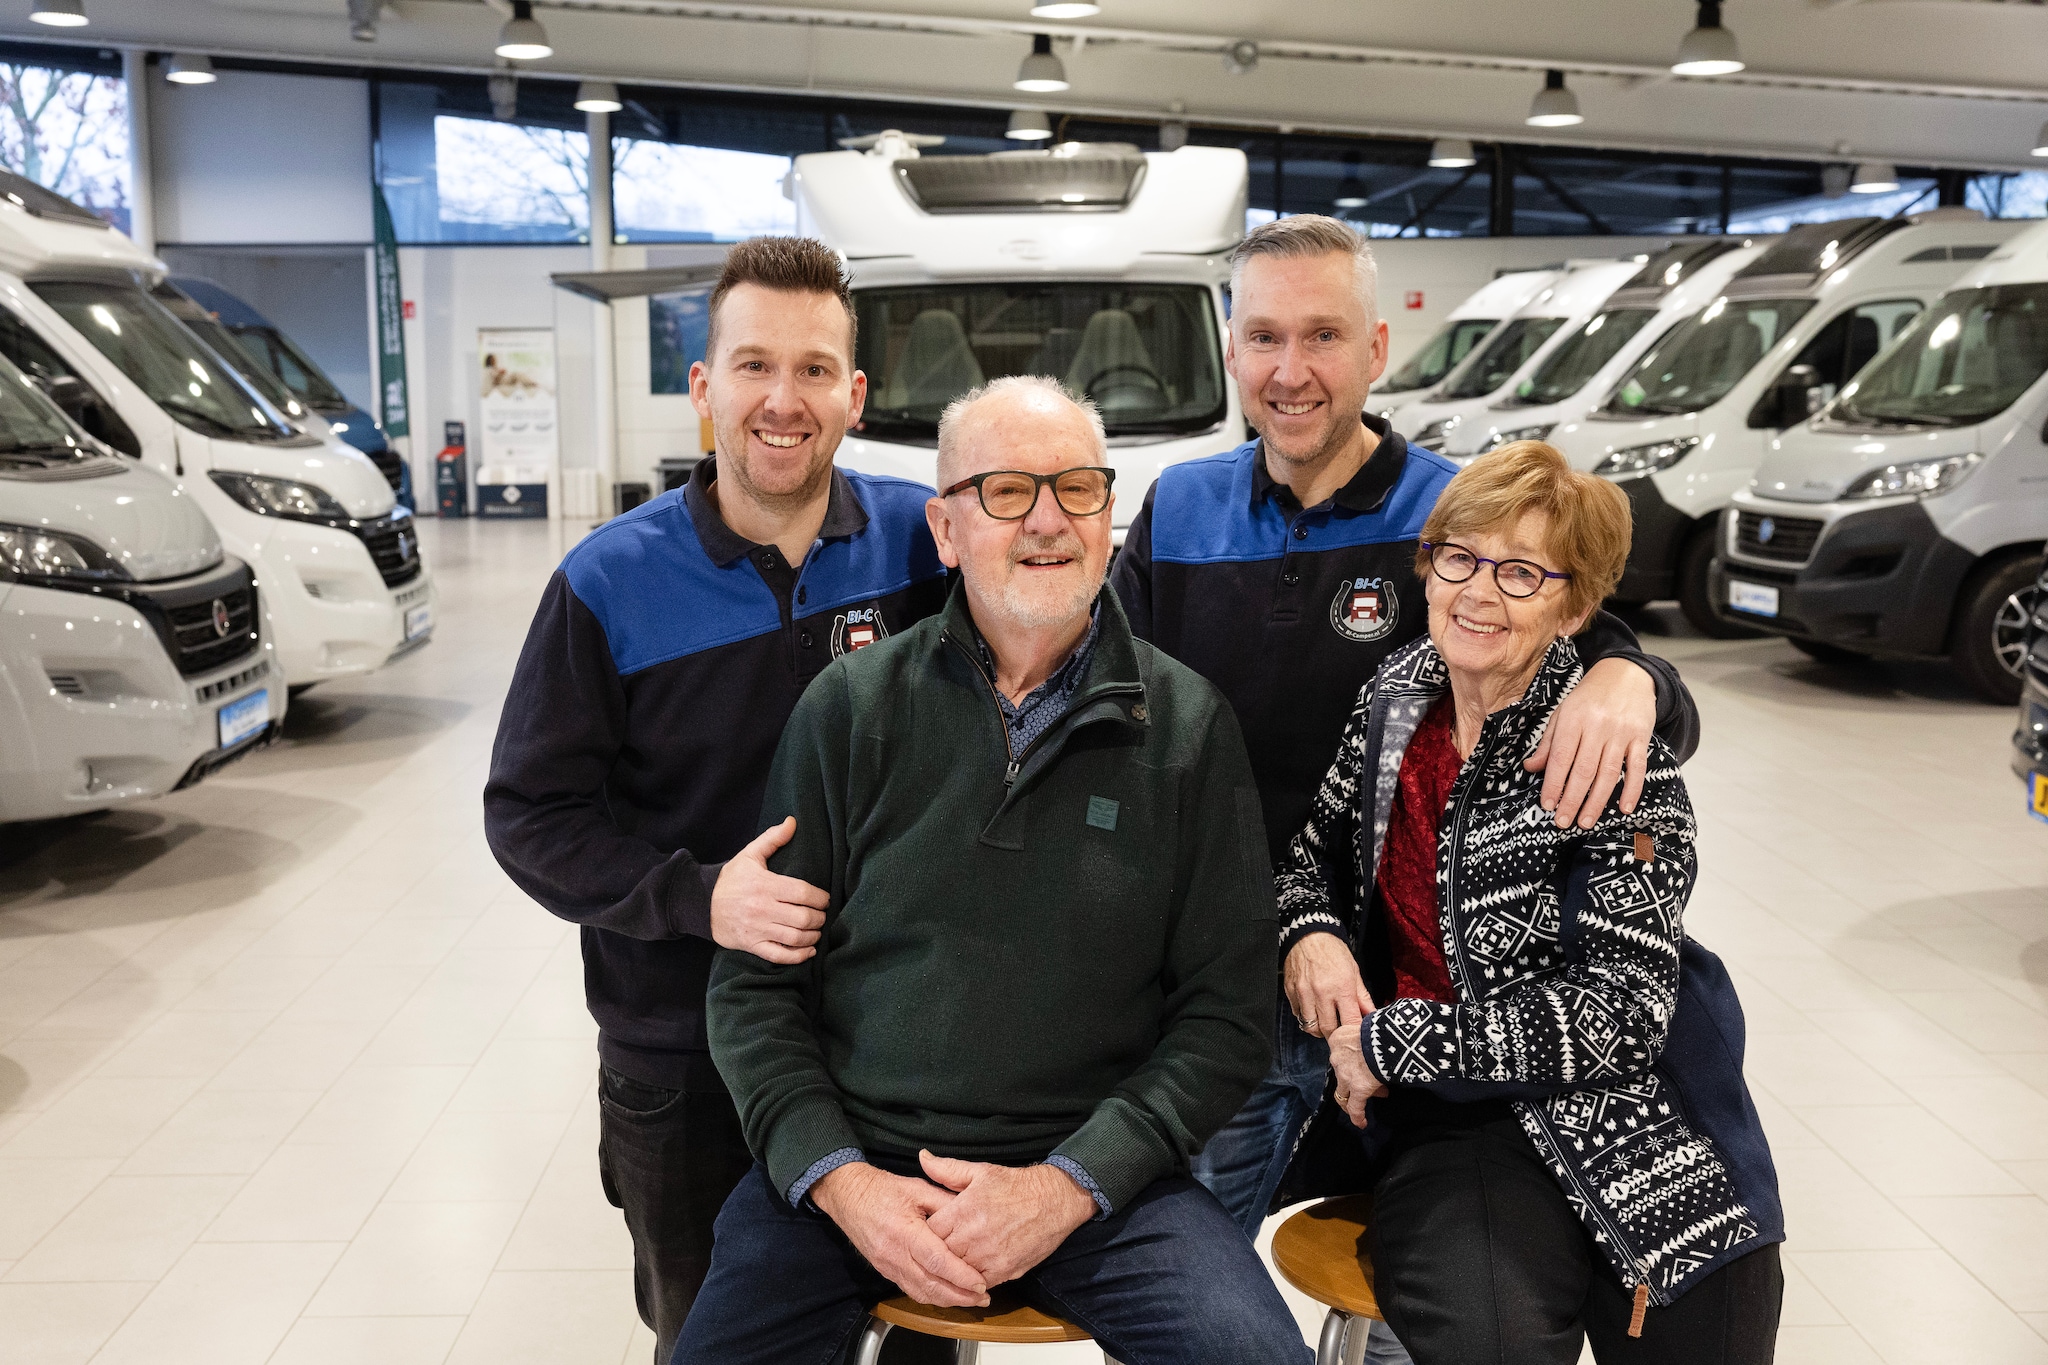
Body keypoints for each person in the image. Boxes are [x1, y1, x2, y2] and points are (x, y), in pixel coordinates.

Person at [676, 376, 1309, 1365]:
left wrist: (1068, 1185)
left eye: (1078, 489)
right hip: (863, 1156)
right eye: (1006, 491)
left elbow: (1225, 1016)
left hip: (1097, 1168)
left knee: (1254, 1356)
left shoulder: (1185, 728)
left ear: (1111, 519)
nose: (1048, 519)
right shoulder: (850, 711)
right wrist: (843, 1183)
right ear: (943, 528)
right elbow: (754, 992)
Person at [1109, 214, 1701, 1246]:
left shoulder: (1449, 521)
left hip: (1407, 1019)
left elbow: (1594, 652)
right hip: (1218, 997)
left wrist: (1630, 676)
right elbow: (1109, 709)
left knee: (1407, 1307)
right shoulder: (1176, 509)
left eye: (1323, 337)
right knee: (1181, 1284)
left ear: (1375, 349)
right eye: (1262, 339)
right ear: (1231, 350)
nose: (1289, 372)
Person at [482, 236, 949, 1364]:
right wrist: (697, 901)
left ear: (854, 394)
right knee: (711, 1332)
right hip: (681, 1053)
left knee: (921, 1329)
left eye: (812, 369)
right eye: (751, 366)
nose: (781, 401)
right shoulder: (607, 582)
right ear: (703, 387)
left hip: (889, 1043)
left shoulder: (920, 543)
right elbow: (528, 815)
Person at [1292, 441, 1783, 1364]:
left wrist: (1391, 1041)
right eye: (1459, 557)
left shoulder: (1611, 752)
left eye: (1520, 572)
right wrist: (1309, 930)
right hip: (1459, 1120)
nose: (1478, 591)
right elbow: (1309, 856)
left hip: (1640, 1114)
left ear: (1577, 605)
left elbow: (1623, 1018)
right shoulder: (1392, 703)